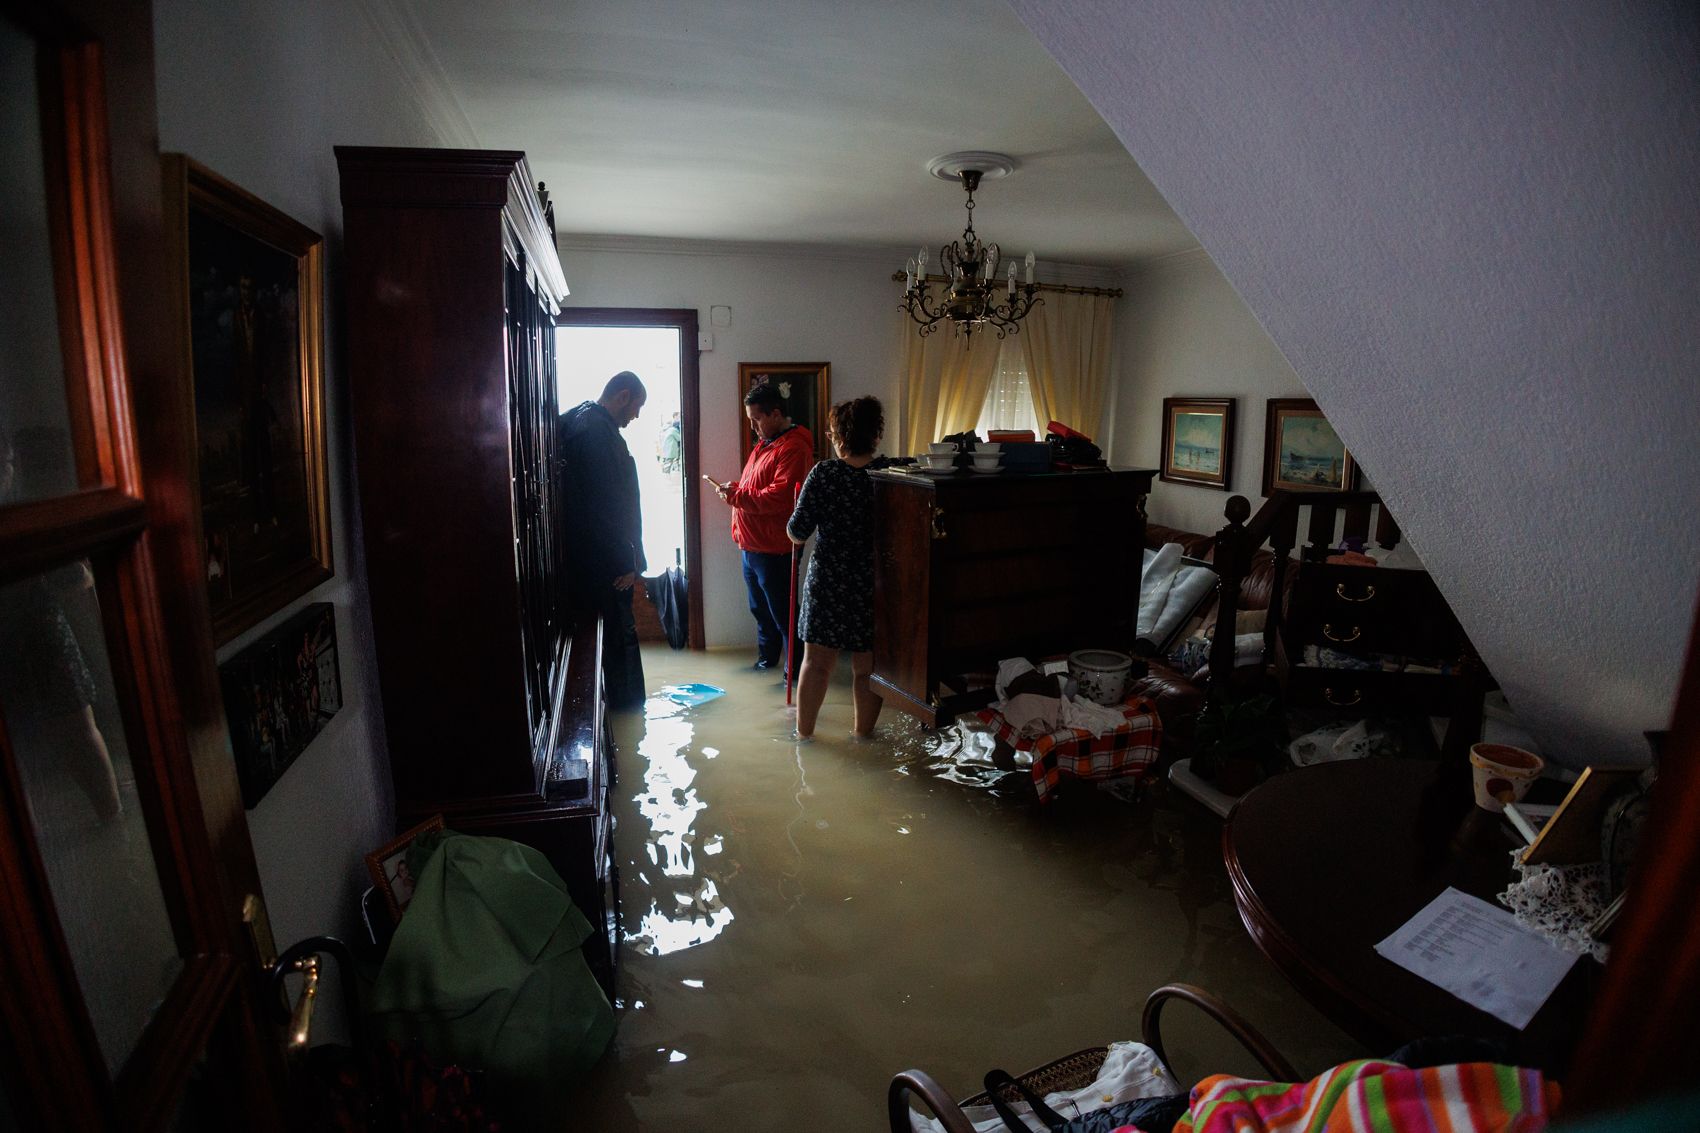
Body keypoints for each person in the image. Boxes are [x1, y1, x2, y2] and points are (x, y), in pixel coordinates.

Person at [786, 397, 885, 740]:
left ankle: (804, 738)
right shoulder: (887, 474)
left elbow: (798, 531)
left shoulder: (825, 473)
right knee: (866, 669)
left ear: (838, 435)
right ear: (875, 433)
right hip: (871, 583)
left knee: (816, 665)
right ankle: (862, 738)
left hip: (828, 580)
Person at [705, 383, 814, 675]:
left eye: (756, 419)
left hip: (775, 548)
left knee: (784, 616)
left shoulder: (794, 447)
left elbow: (780, 497)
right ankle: (766, 664)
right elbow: (758, 489)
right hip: (752, 545)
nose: (753, 427)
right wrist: (737, 489)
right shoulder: (765, 445)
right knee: (761, 612)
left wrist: (737, 497)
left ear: (775, 414)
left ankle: (795, 675)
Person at [559, 371, 648, 710]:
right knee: (618, 638)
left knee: (605, 636)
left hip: (585, 559)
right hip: (605, 563)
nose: (636, 416)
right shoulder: (597, 434)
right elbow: (609, 505)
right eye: (636, 406)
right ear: (623, 396)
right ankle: (628, 712)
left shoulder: (577, 420)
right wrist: (628, 562)